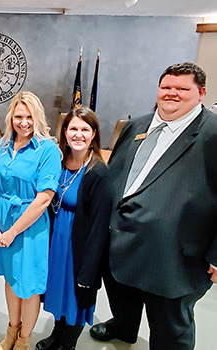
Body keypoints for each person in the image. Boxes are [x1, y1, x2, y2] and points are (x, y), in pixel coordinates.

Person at [89, 62, 217, 350]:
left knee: (170, 325)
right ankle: (123, 326)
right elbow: (118, 174)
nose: (172, 93)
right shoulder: (137, 126)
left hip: (174, 255)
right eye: (166, 87)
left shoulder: (213, 134)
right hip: (121, 239)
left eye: (182, 89)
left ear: (201, 93)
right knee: (122, 296)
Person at [0, 91, 61, 350]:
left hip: (30, 226)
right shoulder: (2, 145)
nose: (24, 122)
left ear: (38, 117)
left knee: (28, 285)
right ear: (11, 117)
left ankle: (25, 338)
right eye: (19, 116)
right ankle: (11, 330)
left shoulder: (48, 149)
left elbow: (44, 198)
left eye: (30, 116)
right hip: (3, 221)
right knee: (10, 279)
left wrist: (12, 232)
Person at [36, 107, 112, 350]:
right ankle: (57, 333)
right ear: (65, 132)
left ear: (93, 134)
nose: (78, 134)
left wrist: (89, 270)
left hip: (78, 246)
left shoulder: (98, 173)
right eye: (73, 129)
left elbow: (100, 229)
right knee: (57, 291)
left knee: (75, 296)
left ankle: (67, 343)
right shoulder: (57, 163)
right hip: (55, 240)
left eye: (85, 129)